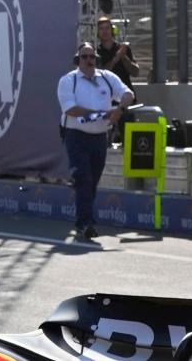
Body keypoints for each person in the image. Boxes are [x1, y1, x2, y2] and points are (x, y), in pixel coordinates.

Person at [57, 41, 134, 240]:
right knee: (84, 178)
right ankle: (86, 223)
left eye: (92, 57)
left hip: (100, 137)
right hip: (76, 135)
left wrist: (119, 110)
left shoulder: (107, 77)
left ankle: (82, 219)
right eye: (84, 57)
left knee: (93, 180)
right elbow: (70, 109)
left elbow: (128, 94)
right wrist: (102, 113)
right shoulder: (68, 80)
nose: (89, 60)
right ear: (78, 60)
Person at [96, 16, 139, 92]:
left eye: (107, 28)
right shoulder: (96, 52)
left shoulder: (124, 49)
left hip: (126, 93)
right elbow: (99, 75)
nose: (105, 31)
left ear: (113, 30)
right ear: (97, 33)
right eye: (101, 29)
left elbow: (135, 72)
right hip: (107, 95)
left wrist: (123, 57)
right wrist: (115, 59)